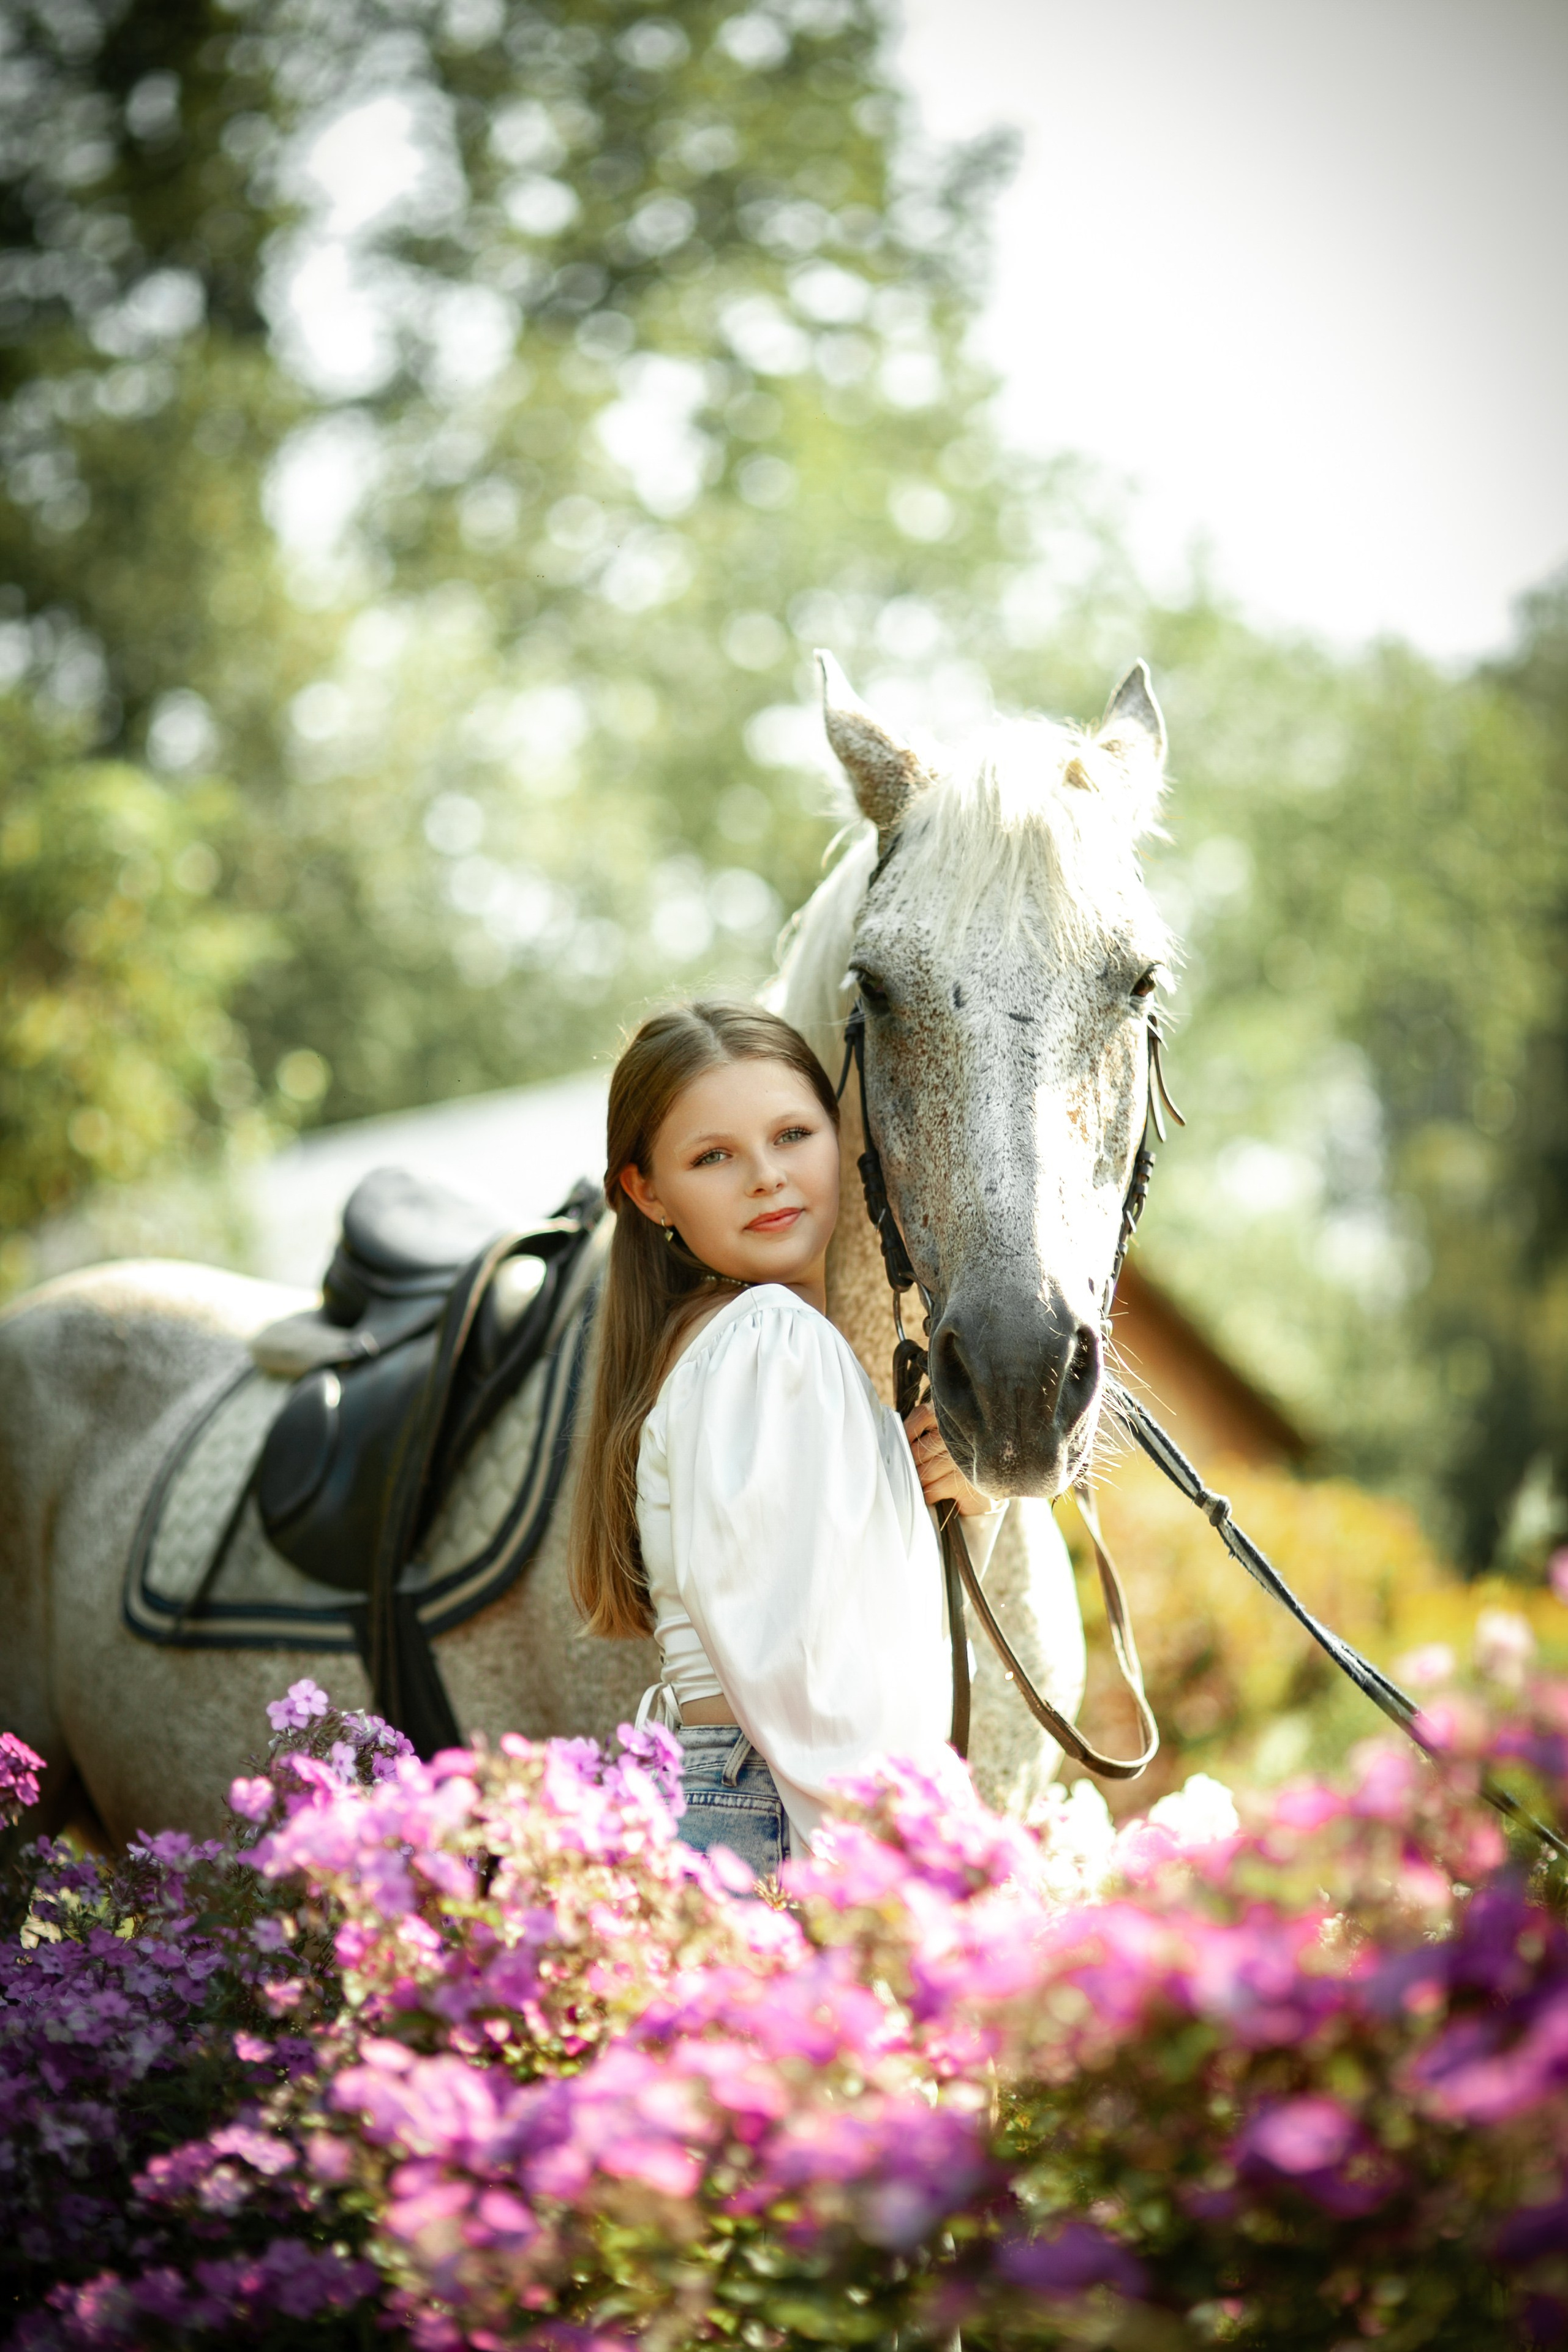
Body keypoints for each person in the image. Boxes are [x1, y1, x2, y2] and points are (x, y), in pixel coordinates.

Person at [568, 1000, 1006, 1879]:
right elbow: (810, 1685)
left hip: (742, 1800)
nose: (767, 1176)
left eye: (793, 1134)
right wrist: (905, 1875)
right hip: (787, 1821)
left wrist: (961, 1508)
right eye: (714, 1156)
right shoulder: (772, 1341)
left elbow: (839, 1621)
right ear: (648, 1191)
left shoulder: (720, 1341)